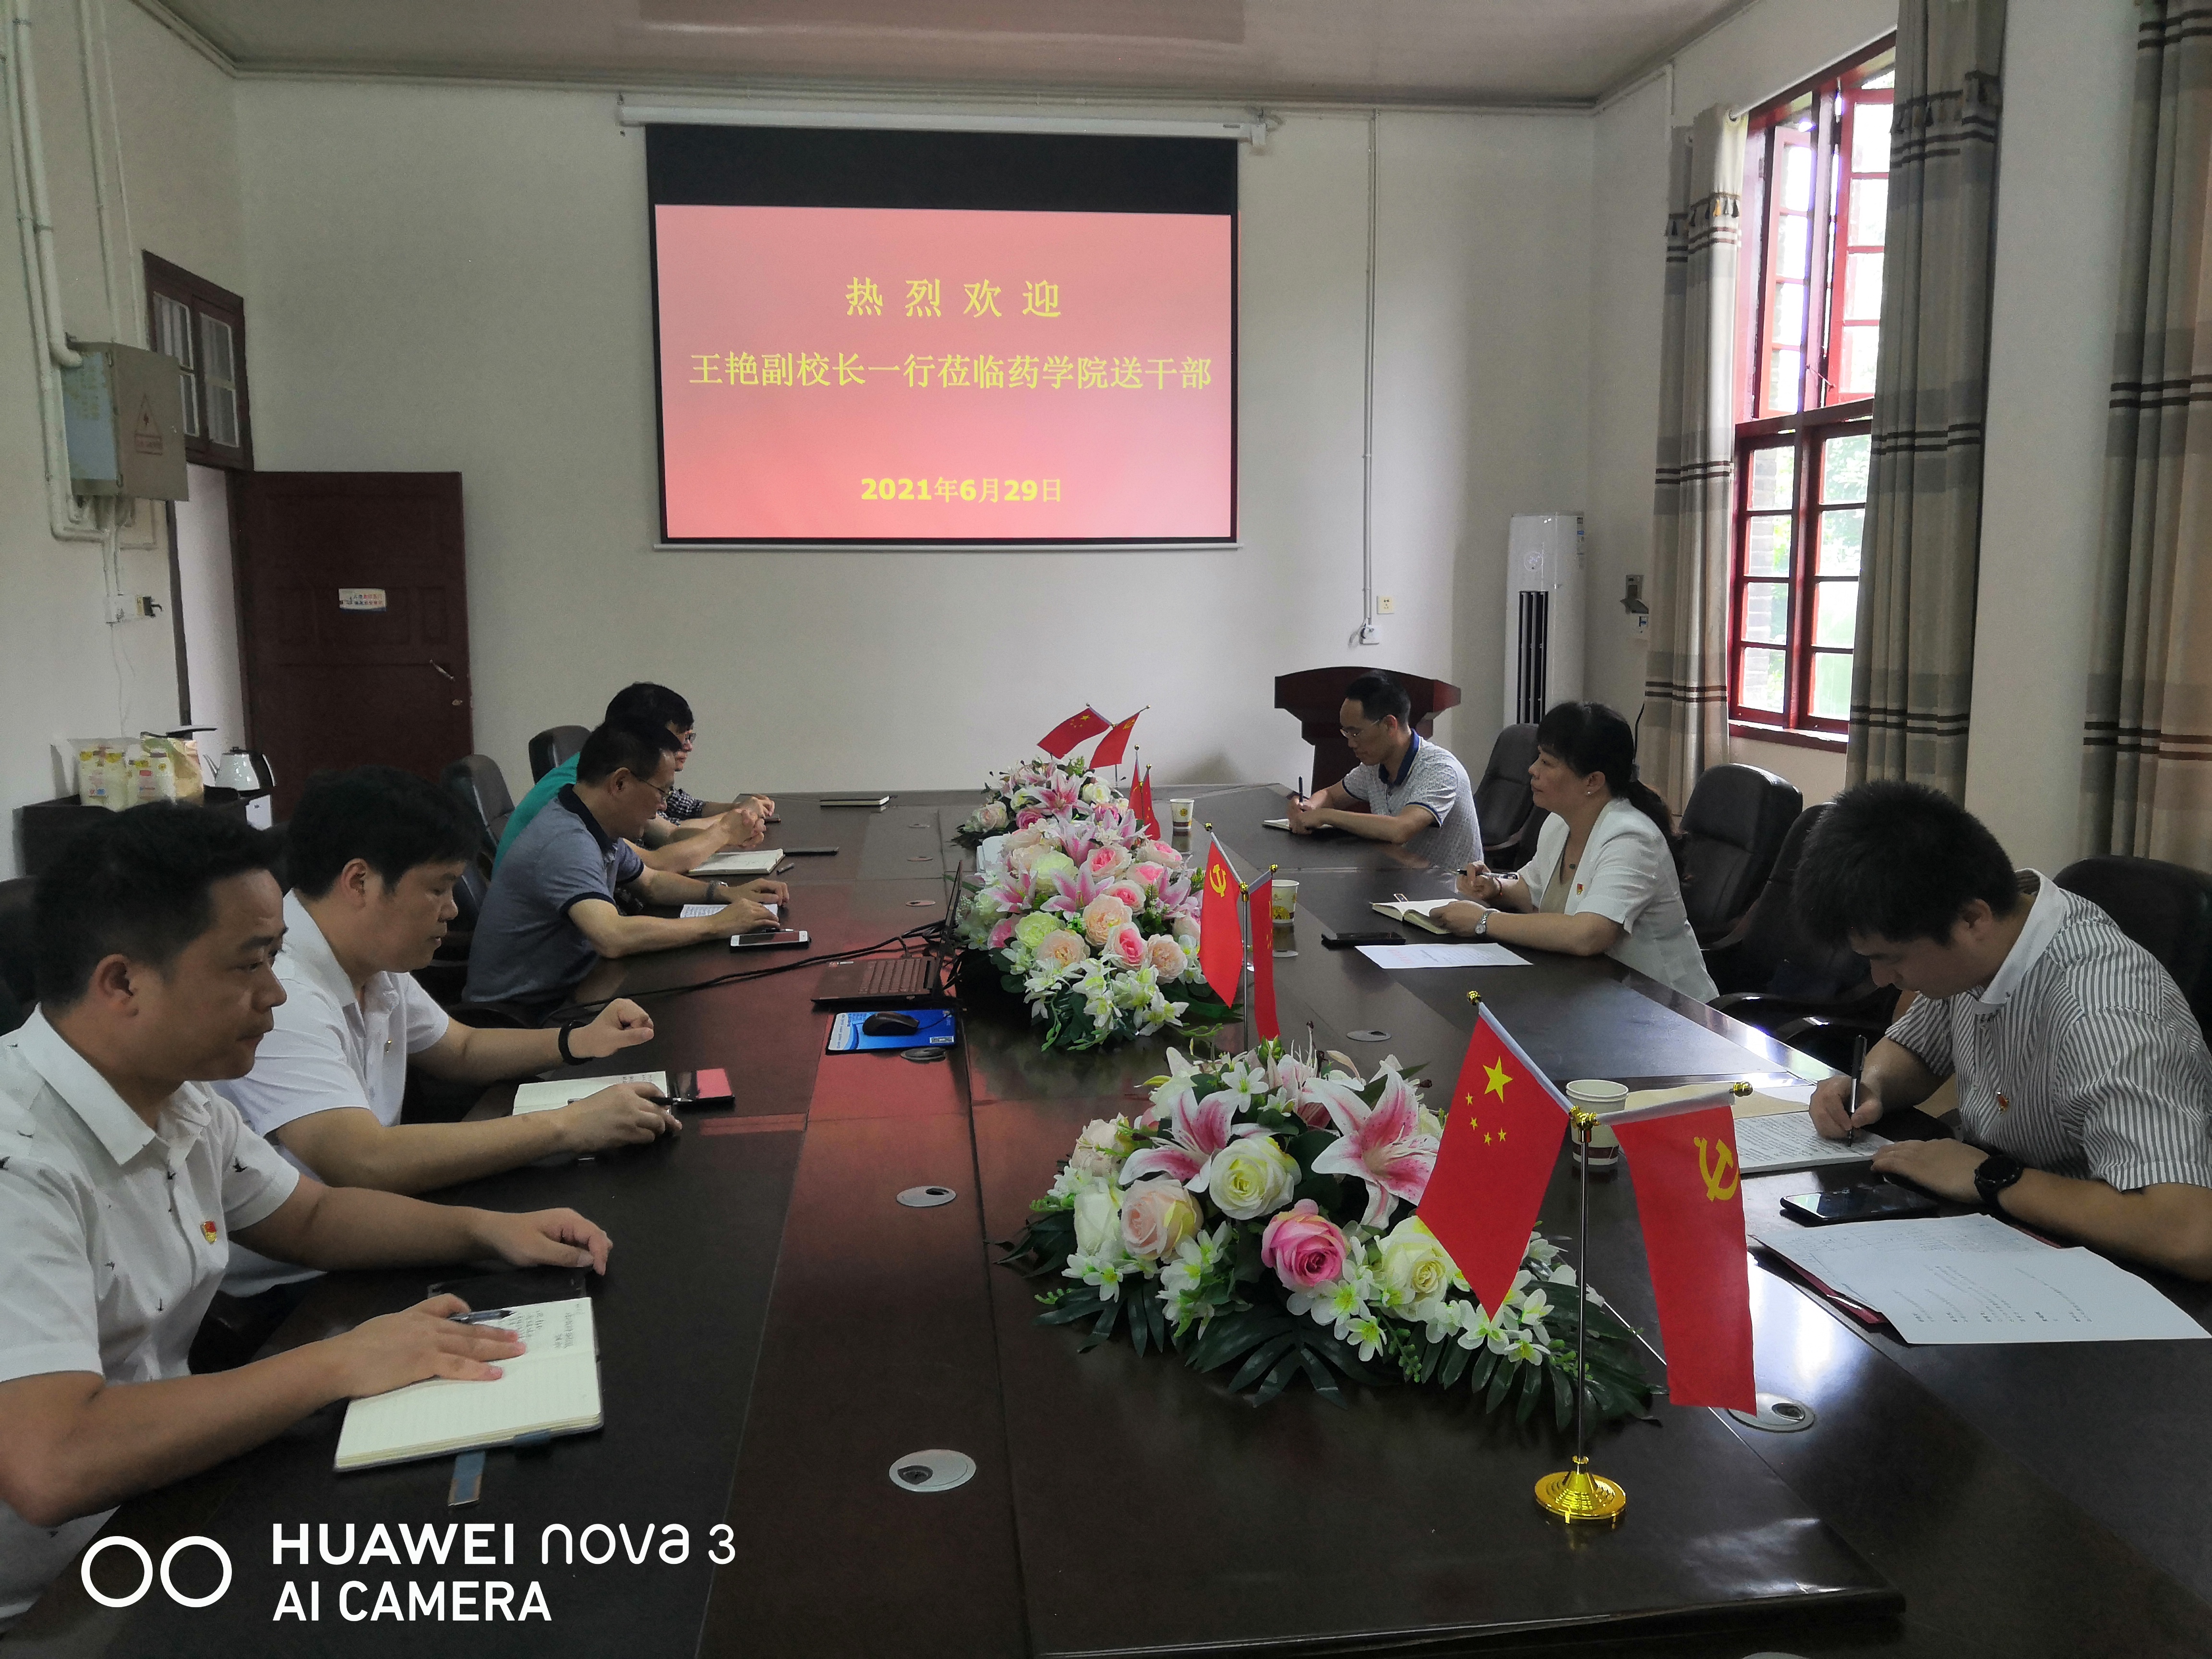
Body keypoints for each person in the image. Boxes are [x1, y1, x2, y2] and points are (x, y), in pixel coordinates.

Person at [0, 806, 614, 1627]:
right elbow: (53, 1464)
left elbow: (313, 1217)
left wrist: (485, 1230)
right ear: (122, 984)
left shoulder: (178, 1099)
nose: (276, 992)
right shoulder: (20, 1161)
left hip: (164, 1497)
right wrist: (338, 1363)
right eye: (249, 963)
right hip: (54, 1599)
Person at [216, 766, 685, 1303]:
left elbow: (460, 1048)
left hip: (373, 1234)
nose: (453, 909)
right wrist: (569, 1126)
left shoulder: (370, 955)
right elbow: (363, 1161)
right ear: (359, 882)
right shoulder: (283, 992)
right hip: (297, 1289)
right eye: (438, 888)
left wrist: (576, 1041)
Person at [1794, 781, 2212, 1278]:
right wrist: (1871, 1088)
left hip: (2108, 1265)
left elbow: (2187, 1233)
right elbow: (1918, 1050)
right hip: (2004, 1228)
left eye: (1891, 958)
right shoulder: (1993, 937)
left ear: (1972, 919)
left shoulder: (2102, 1012)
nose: (1881, 979)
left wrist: (1990, 1177)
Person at [464, 720, 787, 1012]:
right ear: (620, 783)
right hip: (523, 1015)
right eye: (661, 792)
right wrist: (717, 924)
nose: (663, 806)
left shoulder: (590, 820)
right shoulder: (565, 841)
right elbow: (612, 936)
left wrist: (726, 894)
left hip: (575, 986)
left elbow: (652, 883)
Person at [1435, 701, 1716, 1003]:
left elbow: (1588, 935)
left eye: (1547, 763)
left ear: (1593, 780)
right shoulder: (1560, 822)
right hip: (1596, 992)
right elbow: (1533, 890)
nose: (1533, 770)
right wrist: (1496, 888)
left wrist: (1484, 921)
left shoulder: (1632, 837)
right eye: (1538, 757)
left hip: (1669, 1008)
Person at [497, 682, 773, 873]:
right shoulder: (579, 795)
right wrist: (726, 830)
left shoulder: (616, 775)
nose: (685, 748)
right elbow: (655, 863)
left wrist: (736, 823)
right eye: (677, 739)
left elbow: (669, 835)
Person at [1283, 672, 1478, 870]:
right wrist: (1309, 808)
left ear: (1389, 725)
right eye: (1346, 732)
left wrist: (1326, 815)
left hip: (1448, 885)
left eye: (1356, 733)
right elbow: (1331, 795)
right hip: (1399, 874)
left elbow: (1401, 829)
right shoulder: (1374, 767)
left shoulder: (1440, 769)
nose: (1351, 743)